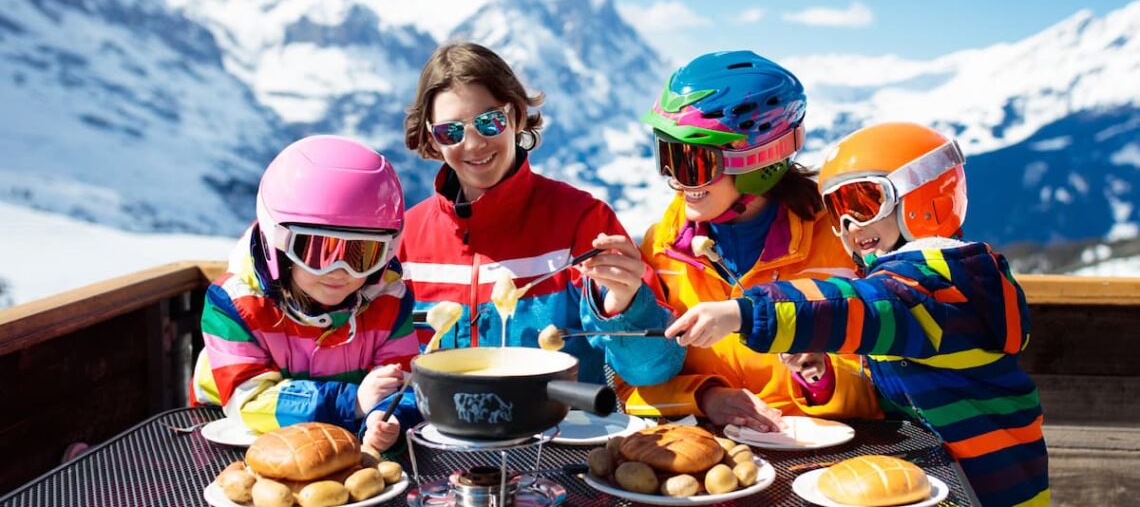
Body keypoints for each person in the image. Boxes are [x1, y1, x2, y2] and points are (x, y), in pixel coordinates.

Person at [666, 121, 1049, 506]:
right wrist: (823, 372)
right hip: (945, 480)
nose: (849, 226)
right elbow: (891, 364)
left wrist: (744, 313)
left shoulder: (940, 286)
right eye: (837, 211)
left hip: (989, 489)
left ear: (924, 196)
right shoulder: (919, 289)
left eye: (863, 202)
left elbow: (857, 304)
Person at [619, 50, 881, 430]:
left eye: (692, 162)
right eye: (666, 156)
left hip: (824, 465)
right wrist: (706, 397)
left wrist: (821, 379)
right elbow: (631, 384)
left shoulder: (843, 242)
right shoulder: (662, 248)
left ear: (758, 163)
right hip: (712, 464)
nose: (674, 178)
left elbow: (891, 386)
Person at [398, 42, 683, 387]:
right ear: (432, 139)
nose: (472, 144)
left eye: (489, 122)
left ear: (516, 116)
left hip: (558, 434)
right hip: (438, 434)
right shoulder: (406, 238)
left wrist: (626, 304)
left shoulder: (582, 222)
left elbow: (653, 370)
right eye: (451, 131)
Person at [191, 135, 420, 453]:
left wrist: (385, 416)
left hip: (345, 446)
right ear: (278, 244)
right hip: (236, 442)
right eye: (319, 251)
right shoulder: (235, 305)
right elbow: (250, 398)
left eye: (362, 255)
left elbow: (403, 382)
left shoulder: (387, 300)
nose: (340, 271)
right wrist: (352, 402)